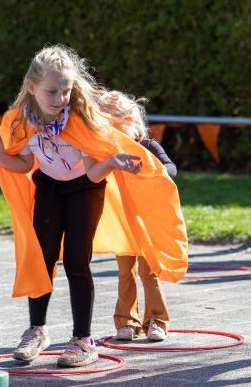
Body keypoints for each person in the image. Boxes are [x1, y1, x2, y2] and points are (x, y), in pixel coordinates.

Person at [0, 45, 188, 367]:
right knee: (43, 257)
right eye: (52, 91)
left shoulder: (81, 121)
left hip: (85, 189)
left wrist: (114, 161)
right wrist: (1, 158)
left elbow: (93, 171)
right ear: (32, 88)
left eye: (66, 91)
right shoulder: (23, 124)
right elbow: (24, 164)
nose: (60, 98)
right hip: (49, 188)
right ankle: (37, 329)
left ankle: (83, 340)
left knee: (78, 262)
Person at [99, 91, 176, 342]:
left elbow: (170, 167)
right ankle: (127, 321)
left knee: (148, 271)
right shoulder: (111, 152)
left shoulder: (149, 147)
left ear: (132, 120)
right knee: (125, 272)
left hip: (147, 222)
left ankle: (157, 320)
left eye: (118, 130)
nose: (116, 138)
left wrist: (161, 170)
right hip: (123, 222)